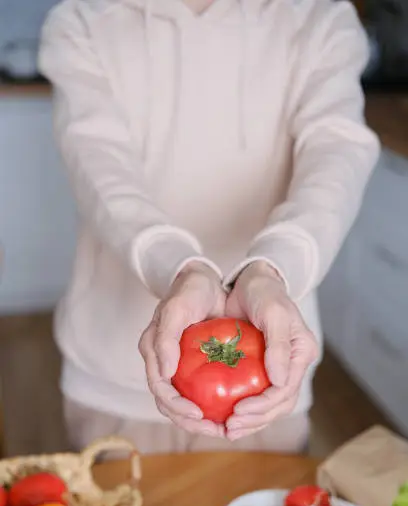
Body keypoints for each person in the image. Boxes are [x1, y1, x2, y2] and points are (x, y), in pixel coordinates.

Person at [39, 0, 379, 454]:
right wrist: (179, 267)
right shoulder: (82, 20)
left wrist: (273, 268)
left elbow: (336, 155)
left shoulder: (319, 16)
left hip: (268, 369)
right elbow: (98, 166)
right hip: (112, 370)